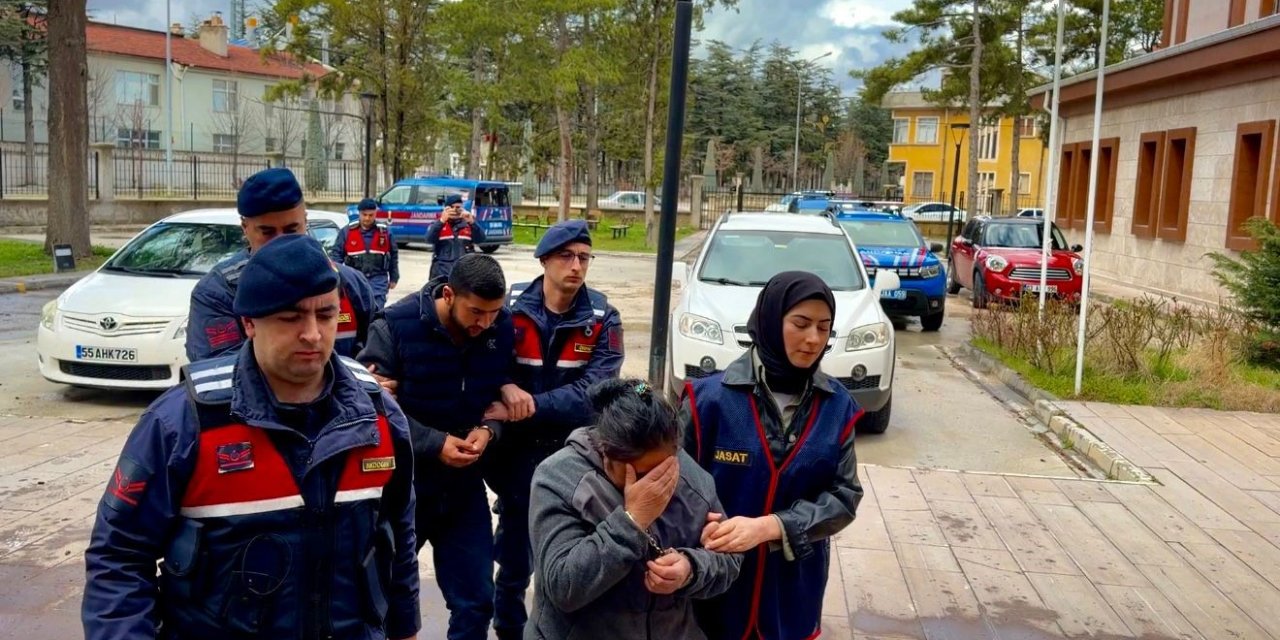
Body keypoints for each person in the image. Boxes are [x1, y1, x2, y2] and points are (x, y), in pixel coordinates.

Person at [82, 234, 421, 640]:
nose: (312, 334)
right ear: (248, 323)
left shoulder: (378, 417)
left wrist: (405, 628)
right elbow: (119, 557)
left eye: (325, 314)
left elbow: (398, 537)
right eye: (291, 318)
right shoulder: (183, 423)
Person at [680, 271, 863, 640]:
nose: (813, 339)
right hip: (713, 586)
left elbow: (844, 497)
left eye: (824, 327)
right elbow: (673, 487)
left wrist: (771, 527)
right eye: (801, 323)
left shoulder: (838, 407)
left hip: (792, 589)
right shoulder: (707, 401)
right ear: (769, 321)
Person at [358, 253, 516, 640]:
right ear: (448, 294)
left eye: (494, 313)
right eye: (476, 312)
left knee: (477, 601)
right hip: (404, 488)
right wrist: (434, 443)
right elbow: (370, 411)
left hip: (463, 488)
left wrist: (490, 429)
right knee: (381, 602)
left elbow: (500, 391)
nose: (485, 323)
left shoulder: (500, 327)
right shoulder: (395, 325)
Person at [484, 219, 624, 640]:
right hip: (516, 459)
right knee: (512, 564)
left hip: (575, 458)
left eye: (584, 257)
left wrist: (524, 407)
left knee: (567, 563)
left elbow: (595, 394)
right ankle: (509, 630)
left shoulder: (603, 317)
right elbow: (485, 364)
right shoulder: (508, 308)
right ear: (544, 260)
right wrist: (505, 385)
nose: (576, 266)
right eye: (566, 256)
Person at [526, 378, 742, 640]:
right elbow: (563, 587)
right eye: (639, 474)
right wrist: (632, 520)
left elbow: (729, 559)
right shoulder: (560, 476)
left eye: (662, 470)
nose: (654, 484)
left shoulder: (690, 478)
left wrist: (690, 568)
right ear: (606, 452)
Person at [186, 167, 376, 362]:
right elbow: (218, 375)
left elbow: (377, 355)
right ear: (245, 229)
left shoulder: (350, 283)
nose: (281, 242)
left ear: (305, 221)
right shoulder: (218, 293)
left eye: (291, 230)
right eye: (267, 232)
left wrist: (373, 378)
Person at [332, 197, 400, 311]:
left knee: (376, 312)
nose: (367, 218)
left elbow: (393, 255)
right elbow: (336, 256)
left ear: (375, 214)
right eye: (364, 215)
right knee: (358, 312)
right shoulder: (346, 232)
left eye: (371, 215)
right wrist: (337, 277)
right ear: (359, 213)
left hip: (378, 280)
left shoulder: (385, 232)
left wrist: (394, 277)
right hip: (355, 280)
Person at [426, 194, 486, 280]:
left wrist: (472, 222)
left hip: (464, 273)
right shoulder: (438, 225)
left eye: (458, 208)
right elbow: (429, 239)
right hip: (442, 273)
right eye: (452, 207)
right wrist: (442, 220)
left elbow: (481, 239)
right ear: (446, 209)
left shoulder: (468, 224)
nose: (455, 210)